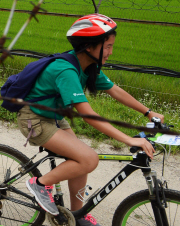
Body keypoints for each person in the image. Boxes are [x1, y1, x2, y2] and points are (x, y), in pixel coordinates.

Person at [18, 14, 162, 226]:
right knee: (88, 158)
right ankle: (39, 184)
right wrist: (129, 140)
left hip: (55, 116)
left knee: (80, 160)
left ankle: (77, 215)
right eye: (108, 46)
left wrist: (148, 112)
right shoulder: (66, 70)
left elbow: (115, 91)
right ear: (88, 46)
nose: (111, 52)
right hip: (35, 119)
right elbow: (88, 115)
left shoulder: (88, 66)